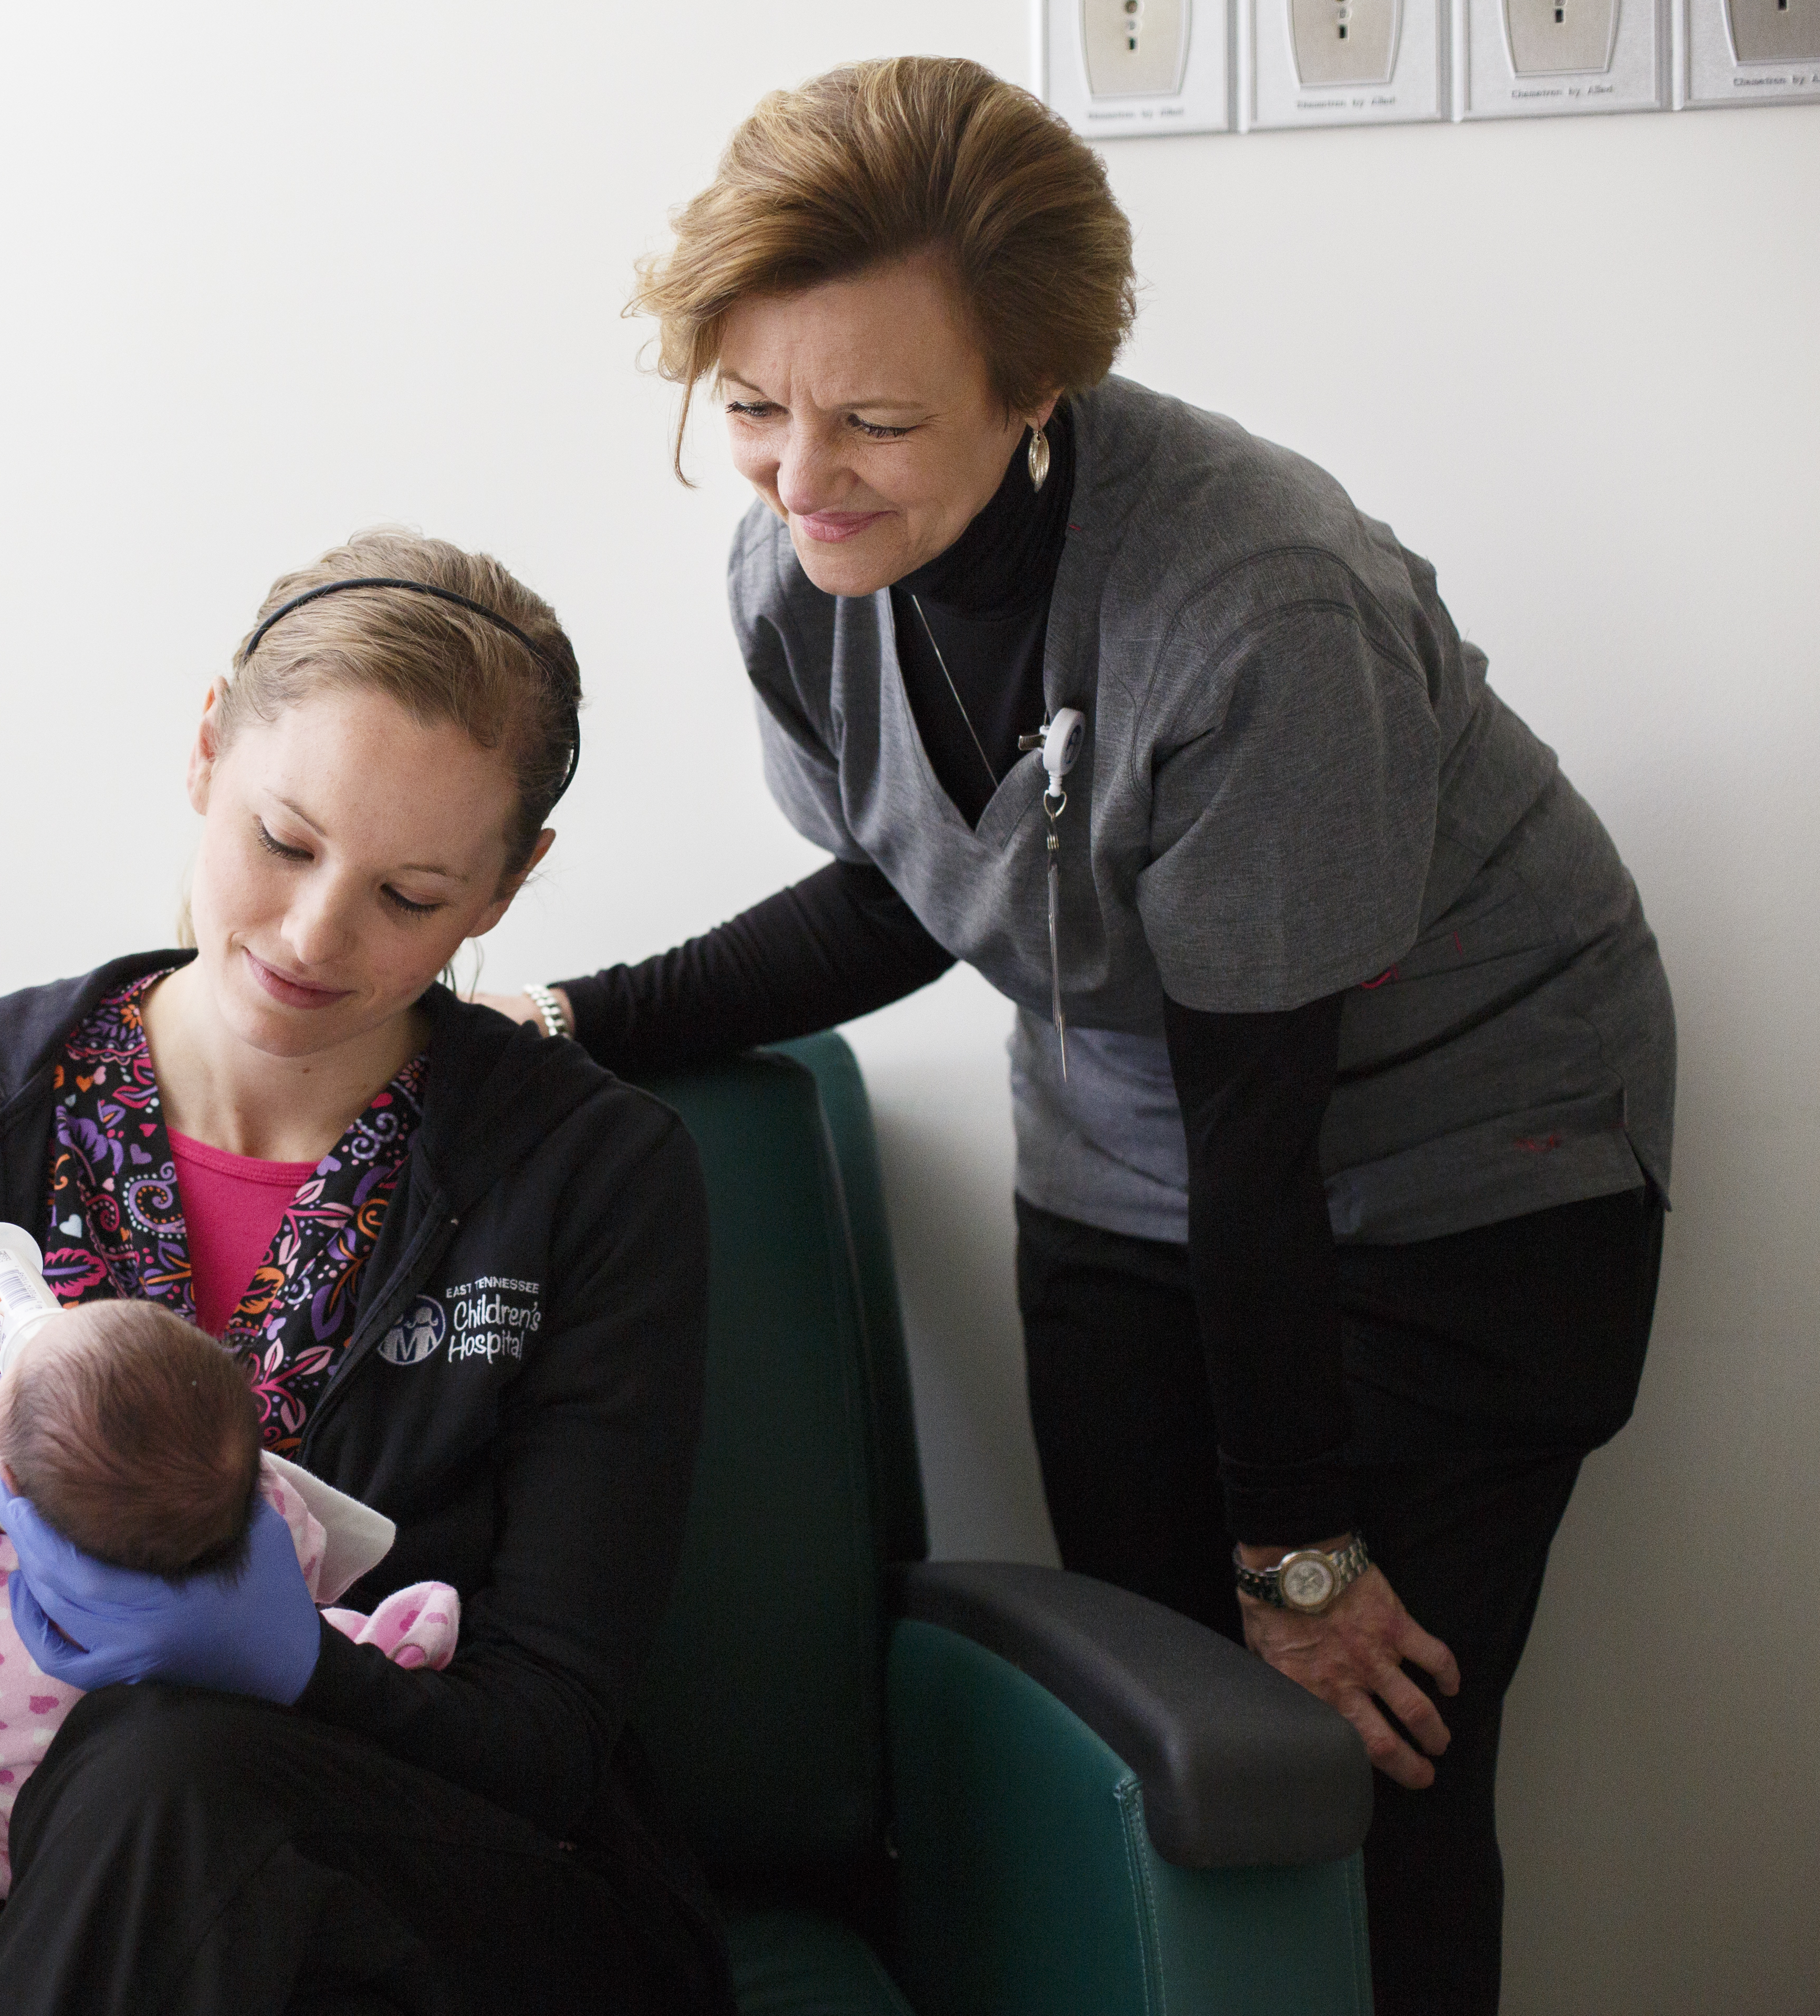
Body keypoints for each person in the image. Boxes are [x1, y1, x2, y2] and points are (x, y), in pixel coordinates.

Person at [484, 58, 1671, 2015]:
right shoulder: (798, 567)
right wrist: (571, 1022)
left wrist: (1300, 1557)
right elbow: (913, 882)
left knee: (1358, 1759)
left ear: (1039, 390)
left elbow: (1263, 1125)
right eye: (756, 408)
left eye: (875, 418)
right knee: (1153, 1745)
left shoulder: (1252, 605)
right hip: (1136, 1140)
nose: (800, 476)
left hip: (1474, 1178)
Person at [0, 529, 735, 2014]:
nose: (313, 935)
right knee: (142, 1782)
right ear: (208, 744)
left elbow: (548, 1736)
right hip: (0, 1880)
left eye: (410, 896)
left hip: (442, 1894)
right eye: (284, 842)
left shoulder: (593, 1178)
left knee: (171, 1764)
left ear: (507, 886)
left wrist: (301, 1668)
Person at [0, 1297, 461, 1903]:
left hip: (14, 1848)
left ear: (10, 1485)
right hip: (226, 1831)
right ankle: (372, 1644)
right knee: (314, 1641)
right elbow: (299, 1581)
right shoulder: (270, 1520)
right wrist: (314, 1654)